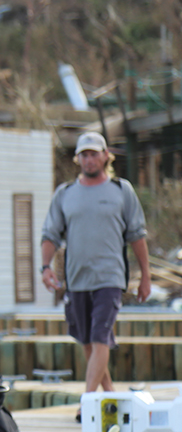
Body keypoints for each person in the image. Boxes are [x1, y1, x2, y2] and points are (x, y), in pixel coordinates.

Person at [41, 131, 151, 403]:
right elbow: (50, 234)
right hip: (77, 279)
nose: (89, 159)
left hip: (110, 278)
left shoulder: (121, 190)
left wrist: (145, 276)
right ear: (78, 158)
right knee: (88, 342)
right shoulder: (65, 193)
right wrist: (45, 267)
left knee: (101, 335)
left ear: (105, 156)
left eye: (94, 154)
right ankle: (109, 394)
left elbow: (137, 235)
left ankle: (88, 402)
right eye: (84, 154)